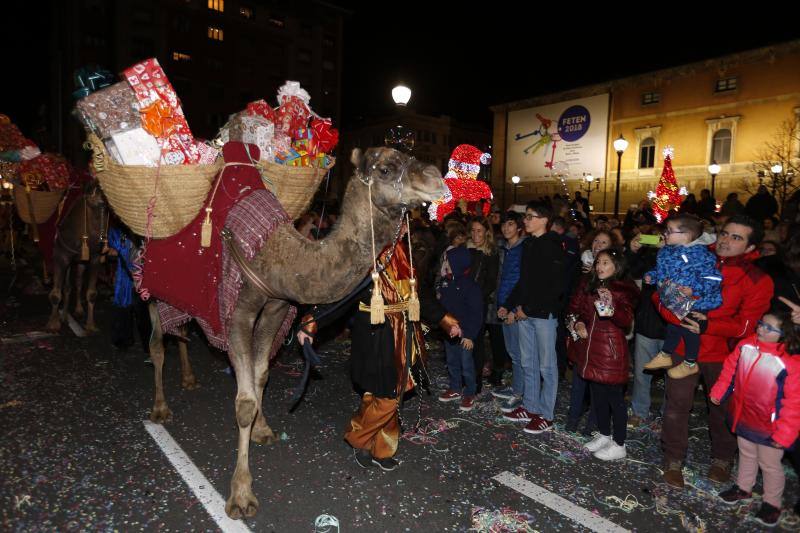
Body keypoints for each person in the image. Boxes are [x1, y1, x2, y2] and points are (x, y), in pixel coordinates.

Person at [299, 235, 461, 471]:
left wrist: (447, 320)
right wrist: (312, 322)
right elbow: (341, 297)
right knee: (386, 396)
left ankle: (382, 448)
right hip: (375, 337)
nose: (399, 232)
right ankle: (359, 439)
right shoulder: (364, 260)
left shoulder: (405, 259)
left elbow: (421, 296)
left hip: (403, 336)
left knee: (385, 394)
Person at [656, 214, 774, 488]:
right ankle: (673, 459)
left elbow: (747, 325)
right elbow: (660, 292)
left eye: (736, 237)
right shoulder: (694, 254)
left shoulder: (756, 279)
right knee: (676, 405)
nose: (726, 240)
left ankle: (722, 458)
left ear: (750, 247)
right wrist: (676, 315)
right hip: (684, 345)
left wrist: (709, 325)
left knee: (721, 409)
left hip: (724, 354)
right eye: (724, 233)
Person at [710, 312, 800, 527]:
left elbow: (794, 402)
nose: (761, 329)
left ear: (784, 335)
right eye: (761, 324)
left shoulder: (789, 362)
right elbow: (730, 370)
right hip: (745, 417)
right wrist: (719, 390)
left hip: (771, 427)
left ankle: (772, 503)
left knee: (769, 464)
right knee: (746, 453)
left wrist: (785, 434)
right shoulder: (746, 347)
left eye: (769, 328)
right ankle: (743, 488)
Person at [500, 201, 567, 434]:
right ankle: (530, 406)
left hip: (543, 315)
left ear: (544, 220)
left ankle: (546, 415)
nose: (526, 221)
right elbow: (525, 282)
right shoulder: (529, 244)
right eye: (525, 216)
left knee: (547, 366)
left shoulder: (553, 246)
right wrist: (509, 305)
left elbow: (554, 286)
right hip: (525, 313)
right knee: (528, 362)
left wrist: (528, 309)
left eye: (530, 217)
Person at [567, 249, 639, 460]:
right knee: (597, 396)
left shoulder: (622, 289)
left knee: (615, 399)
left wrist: (612, 305)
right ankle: (605, 434)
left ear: (617, 266)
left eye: (605, 262)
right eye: (598, 262)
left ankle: (619, 443)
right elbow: (582, 313)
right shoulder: (592, 286)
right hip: (592, 349)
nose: (600, 266)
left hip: (610, 350)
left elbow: (625, 320)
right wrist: (579, 323)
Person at [643, 214, 723, 379]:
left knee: (689, 329)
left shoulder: (700, 254)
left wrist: (693, 290)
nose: (665, 234)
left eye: (670, 231)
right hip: (675, 299)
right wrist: (652, 276)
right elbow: (662, 271)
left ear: (686, 236)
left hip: (696, 301)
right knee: (673, 327)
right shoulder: (667, 251)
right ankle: (665, 354)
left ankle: (690, 363)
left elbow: (714, 279)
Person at [625, 229, 666, 427]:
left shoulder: (686, 259)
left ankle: (667, 416)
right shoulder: (649, 257)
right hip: (647, 323)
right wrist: (632, 250)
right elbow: (632, 270)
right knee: (642, 373)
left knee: (672, 376)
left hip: (673, 327)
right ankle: (639, 411)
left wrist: (670, 252)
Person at [438, 246, 484, 411]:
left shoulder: (471, 286)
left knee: (467, 364)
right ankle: (455, 387)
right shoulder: (445, 282)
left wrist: (469, 334)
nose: (445, 263)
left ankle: (470, 392)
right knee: (452, 361)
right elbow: (443, 307)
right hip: (450, 331)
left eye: (448, 261)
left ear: (457, 263)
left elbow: (476, 313)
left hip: (465, 333)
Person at [491, 212, 527, 410]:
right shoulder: (505, 248)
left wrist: (514, 308)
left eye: (511, 224)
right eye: (504, 224)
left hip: (516, 308)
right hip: (504, 304)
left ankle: (520, 393)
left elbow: (523, 282)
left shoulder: (524, 248)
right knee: (512, 352)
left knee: (519, 353)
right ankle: (516, 387)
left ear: (519, 227)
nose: (506, 228)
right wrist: (501, 306)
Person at [466, 217, 499, 393]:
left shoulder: (490, 253)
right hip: (462, 302)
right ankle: (465, 377)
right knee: (462, 339)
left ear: (487, 232)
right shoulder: (465, 249)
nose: (475, 234)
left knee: (476, 341)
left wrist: (476, 297)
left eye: (479, 230)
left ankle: (476, 381)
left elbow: (491, 282)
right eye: (473, 230)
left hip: (479, 302)